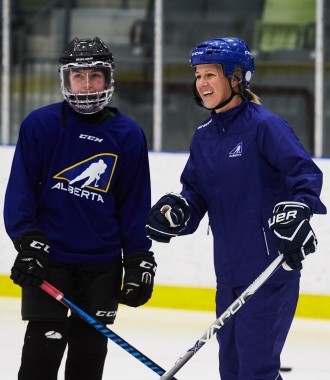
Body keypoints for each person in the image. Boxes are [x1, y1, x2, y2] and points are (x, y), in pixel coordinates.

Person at [146, 37, 327, 380]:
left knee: (256, 371)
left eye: (211, 74)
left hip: (269, 270)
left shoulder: (265, 126)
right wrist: (179, 212)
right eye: (198, 75)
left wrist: (299, 209)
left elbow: (304, 174)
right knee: (231, 370)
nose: (202, 83)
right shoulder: (204, 136)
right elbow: (196, 193)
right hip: (227, 274)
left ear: (236, 78)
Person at [4, 36, 156, 380]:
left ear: (108, 79)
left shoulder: (128, 135)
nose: (87, 85)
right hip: (49, 260)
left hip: (101, 265)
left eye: (95, 76)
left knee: (88, 359)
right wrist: (27, 239)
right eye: (79, 76)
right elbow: (21, 191)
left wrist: (137, 258)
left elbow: (134, 204)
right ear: (66, 79)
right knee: (41, 355)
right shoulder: (40, 125)